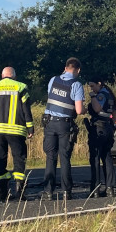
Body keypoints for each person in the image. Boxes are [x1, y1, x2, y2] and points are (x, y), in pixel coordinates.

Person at [0, 66, 34, 202]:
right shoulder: (21, 87)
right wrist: (30, 128)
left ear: (2, 76)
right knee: (19, 159)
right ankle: (19, 192)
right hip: (16, 130)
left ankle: (2, 194)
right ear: (14, 76)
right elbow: (26, 110)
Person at [43, 57, 84, 201]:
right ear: (77, 70)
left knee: (50, 157)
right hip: (65, 124)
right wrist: (84, 110)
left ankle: (48, 192)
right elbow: (78, 110)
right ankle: (66, 191)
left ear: (66, 67)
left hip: (49, 123)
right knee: (65, 158)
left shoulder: (53, 80)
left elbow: (51, 97)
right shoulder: (76, 84)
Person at [86, 78, 116, 196]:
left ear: (99, 83)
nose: (91, 89)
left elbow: (97, 109)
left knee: (95, 158)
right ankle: (110, 188)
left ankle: (95, 189)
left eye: (93, 86)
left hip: (98, 129)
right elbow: (115, 115)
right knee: (107, 158)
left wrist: (93, 96)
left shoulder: (100, 95)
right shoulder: (110, 95)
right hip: (108, 128)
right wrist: (112, 126)